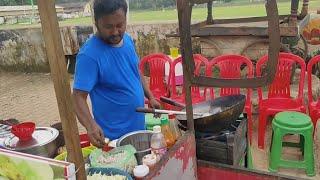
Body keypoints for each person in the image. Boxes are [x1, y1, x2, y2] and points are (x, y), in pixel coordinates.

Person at [73, 0, 160, 148]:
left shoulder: (126, 40)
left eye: (120, 25)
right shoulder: (89, 55)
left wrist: (150, 96)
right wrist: (91, 125)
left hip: (138, 128)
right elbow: (78, 97)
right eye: (108, 27)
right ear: (96, 23)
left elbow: (135, 71)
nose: (115, 32)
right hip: (113, 139)